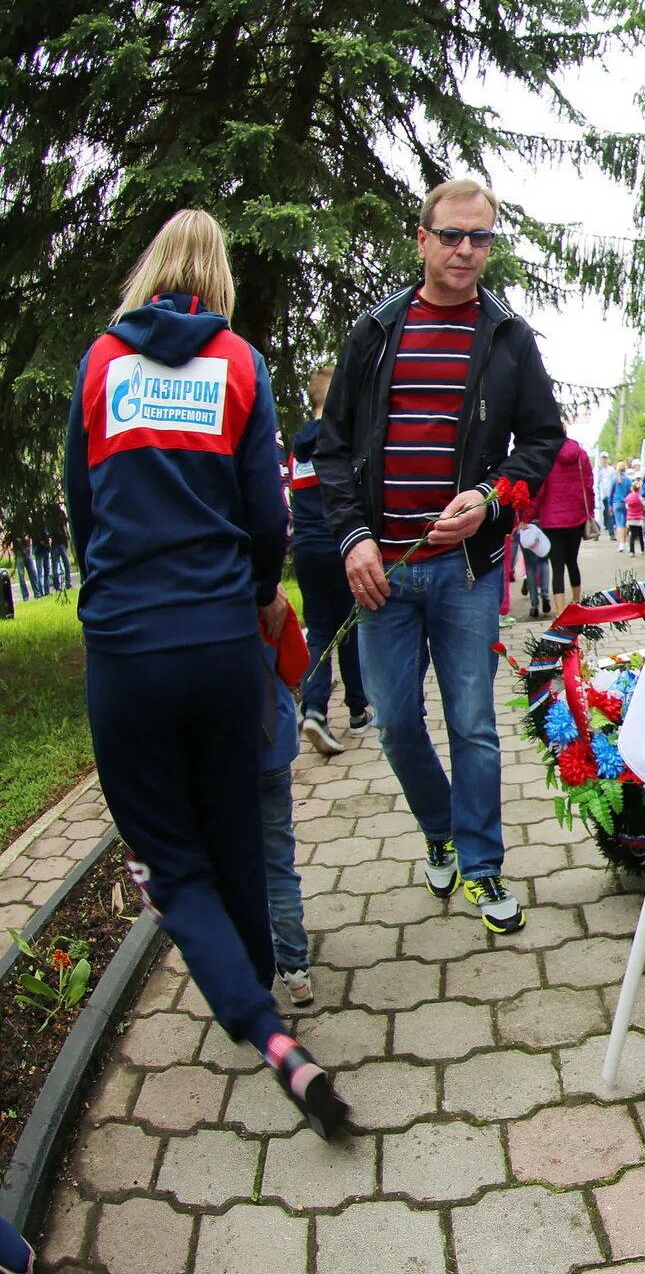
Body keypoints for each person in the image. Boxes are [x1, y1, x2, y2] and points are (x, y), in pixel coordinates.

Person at [64, 208, 349, 1136]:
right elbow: (264, 510)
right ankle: (265, 976)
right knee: (235, 822)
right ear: (217, 278)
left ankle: (266, 1035)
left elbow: (80, 502)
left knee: (173, 868)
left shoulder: (101, 363)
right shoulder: (240, 362)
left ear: (149, 273)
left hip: (128, 649)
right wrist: (263, 591)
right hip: (223, 642)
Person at [316, 177, 565, 935]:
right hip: (381, 575)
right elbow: (332, 450)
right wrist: (354, 538)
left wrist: (490, 498)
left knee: (473, 724)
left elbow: (543, 441)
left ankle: (484, 867)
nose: (465, 250)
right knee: (393, 721)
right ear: (421, 239)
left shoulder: (509, 338)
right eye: (452, 235)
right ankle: (439, 829)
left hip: (467, 572)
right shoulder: (376, 331)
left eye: (480, 237)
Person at [290, 368, 372, 754]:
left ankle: (315, 710)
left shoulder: (296, 448)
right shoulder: (341, 440)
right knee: (351, 627)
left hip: (306, 550)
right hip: (340, 546)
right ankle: (358, 711)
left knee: (320, 629)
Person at [257, 600, 315, 1006]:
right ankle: (295, 969)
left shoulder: (183, 604)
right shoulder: (268, 601)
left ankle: (251, 973)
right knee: (278, 860)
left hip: (212, 760)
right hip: (268, 747)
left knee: (233, 863)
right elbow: (295, 667)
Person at [534, 433, 594, 608]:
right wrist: (589, 512)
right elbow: (588, 486)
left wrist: (527, 517)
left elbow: (539, 490)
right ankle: (577, 604)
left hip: (552, 521)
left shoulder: (547, 455)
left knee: (557, 567)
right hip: (577, 518)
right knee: (572, 561)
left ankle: (560, 613)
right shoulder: (581, 454)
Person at [624, 478, 645, 556]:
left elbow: (626, 506)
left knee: (632, 535)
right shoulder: (640, 497)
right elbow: (644, 505)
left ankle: (632, 551)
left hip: (630, 518)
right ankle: (642, 549)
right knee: (640, 534)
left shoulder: (628, 497)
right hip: (639, 518)